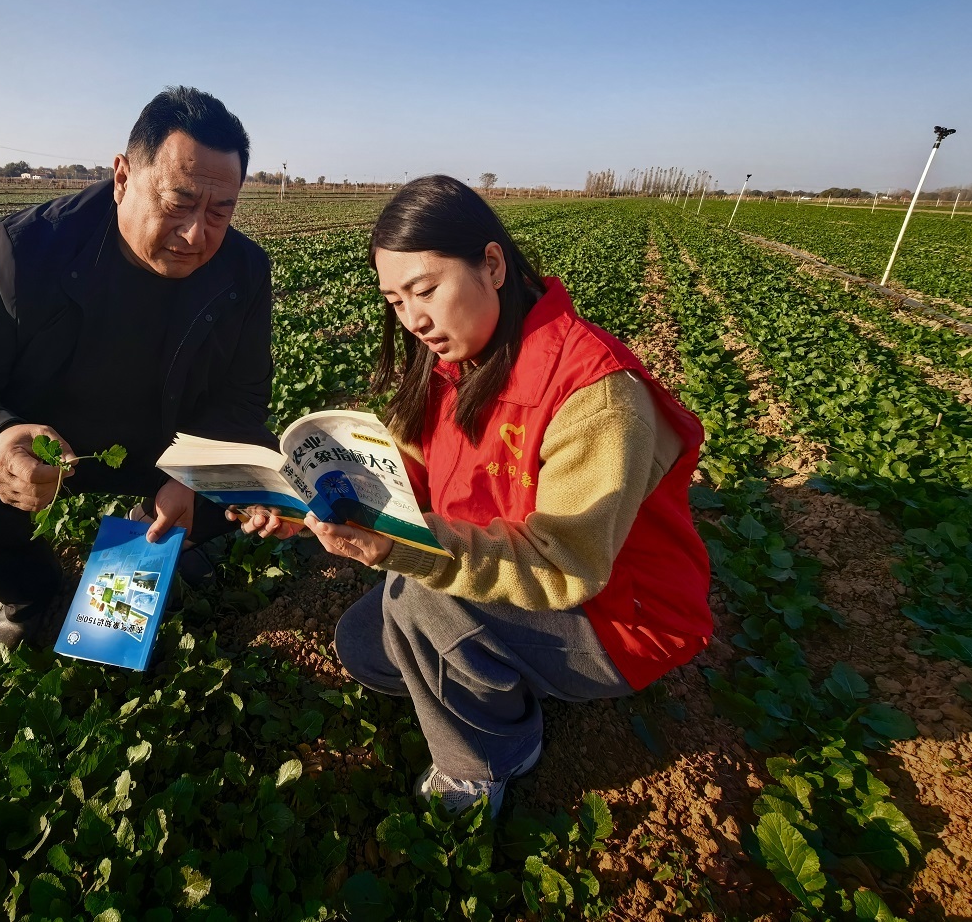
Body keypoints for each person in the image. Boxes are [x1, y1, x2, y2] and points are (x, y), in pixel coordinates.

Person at [241, 175, 712, 816]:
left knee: (421, 603)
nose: (414, 319)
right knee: (365, 644)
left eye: (425, 290)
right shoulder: (452, 363)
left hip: (619, 615)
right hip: (516, 578)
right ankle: (502, 671)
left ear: (492, 265)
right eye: (395, 301)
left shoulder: (596, 393)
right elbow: (405, 475)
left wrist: (406, 550)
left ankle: (490, 758)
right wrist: (308, 501)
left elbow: (564, 561)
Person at [0, 87, 274, 671]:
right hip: (54, 450)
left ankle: (176, 537)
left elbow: (245, 396)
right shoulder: (24, 251)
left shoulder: (244, 271)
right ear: (123, 177)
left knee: (263, 468)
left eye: (220, 212)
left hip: (167, 450)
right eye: (178, 202)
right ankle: (30, 591)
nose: (196, 234)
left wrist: (195, 477)